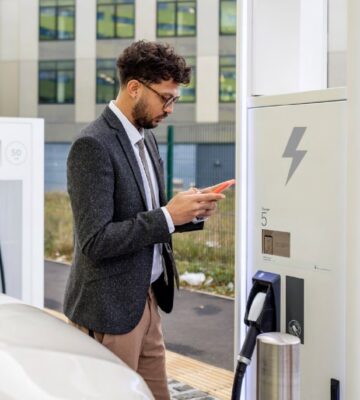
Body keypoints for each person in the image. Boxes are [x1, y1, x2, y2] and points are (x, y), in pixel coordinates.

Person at [63, 40, 224, 400]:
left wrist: (189, 211)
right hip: (108, 313)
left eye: (175, 99)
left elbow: (149, 214)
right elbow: (95, 241)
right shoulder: (92, 145)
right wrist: (168, 215)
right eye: (166, 97)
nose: (170, 109)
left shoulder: (146, 139)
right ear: (134, 87)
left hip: (147, 301)